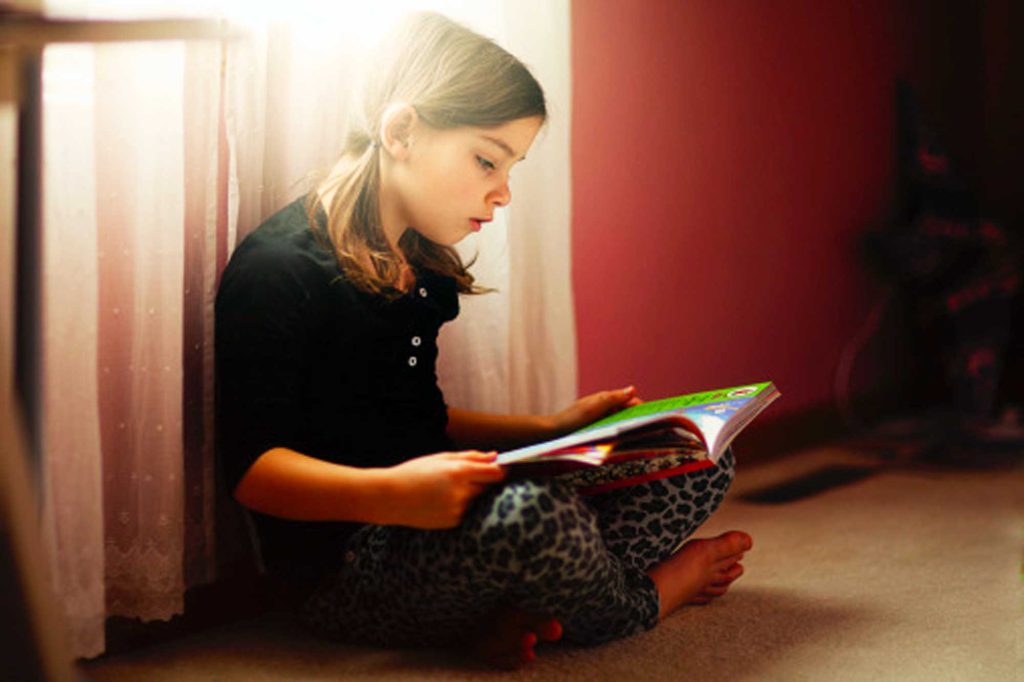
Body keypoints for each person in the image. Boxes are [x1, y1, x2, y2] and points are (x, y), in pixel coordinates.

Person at [215, 12, 752, 669]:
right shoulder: (279, 269)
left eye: (511, 168)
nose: (501, 193)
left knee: (694, 454)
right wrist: (394, 495)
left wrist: (547, 429)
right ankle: (647, 596)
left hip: (440, 533)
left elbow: (418, 420)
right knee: (536, 518)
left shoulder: (422, 264)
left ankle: (518, 606)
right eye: (486, 160)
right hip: (345, 570)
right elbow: (251, 473)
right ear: (402, 131)